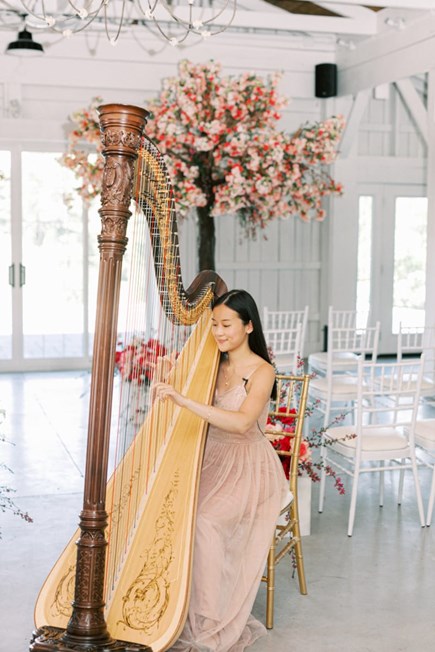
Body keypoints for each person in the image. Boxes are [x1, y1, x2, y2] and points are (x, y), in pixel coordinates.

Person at [153, 289, 288, 652]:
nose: (218, 332)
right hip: (210, 456)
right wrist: (169, 374)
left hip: (248, 466)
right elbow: (177, 395)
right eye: (213, 324)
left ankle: (209, 622)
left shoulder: (263, 371)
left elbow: (244, 423)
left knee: (205, 521)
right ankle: (172, 608)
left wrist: (184, 400)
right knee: (170, 510)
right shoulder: (213, 363)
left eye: (226, 324)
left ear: (247, 326)